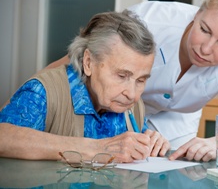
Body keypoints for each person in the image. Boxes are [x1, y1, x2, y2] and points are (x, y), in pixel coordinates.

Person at [2, 0, 218, 162]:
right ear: (197, 13)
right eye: (204, 29)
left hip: (143, 116)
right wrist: (32, 92)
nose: (205, 48)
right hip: (113, 106)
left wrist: (216, 143)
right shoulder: (151, 19)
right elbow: (83, 58)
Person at [0, 10, 170, 162]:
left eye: (141, 80)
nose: (132, 94)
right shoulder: (44, 92)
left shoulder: (132, 106)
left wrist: (152, 143)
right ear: (89, 62)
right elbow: (3, 136)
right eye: (122, 76)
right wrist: (95, 149)